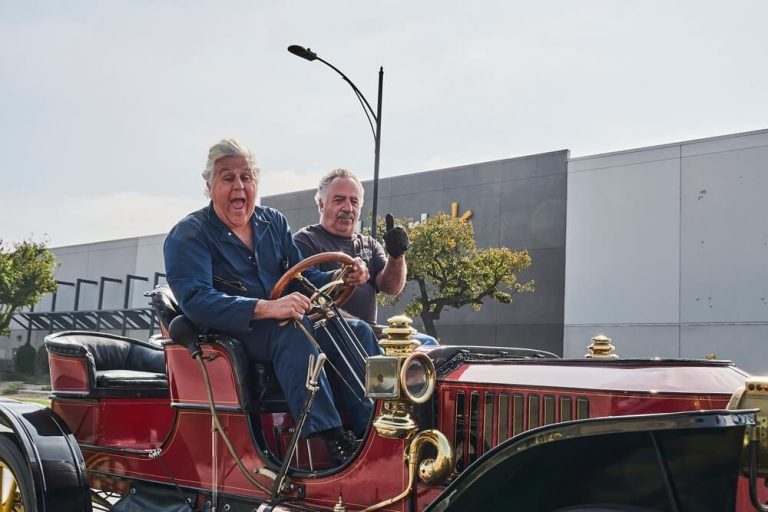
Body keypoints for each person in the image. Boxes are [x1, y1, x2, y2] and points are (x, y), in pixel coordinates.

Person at [164, 139, 380, 465]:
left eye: (246, 178)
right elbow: (196, 301)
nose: (239, 187)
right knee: (292, 329)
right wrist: (265, 307)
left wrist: (341, 277)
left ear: (256, 184)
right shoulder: (189, 234)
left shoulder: (273, 223)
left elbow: (301, 281)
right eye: (227, 178)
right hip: (233, 332)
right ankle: (332, 439)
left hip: (283, 321)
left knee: (356, 329)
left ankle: (374, 427)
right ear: (209, 186)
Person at [293, 168, 438, 345]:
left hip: (372, 331)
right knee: (363, 333)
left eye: (354, 202)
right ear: (321, 204)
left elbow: (392, 287)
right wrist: (343, 277)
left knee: (428, 344)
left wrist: (396, 255)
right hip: (327, 331)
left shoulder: (370, 244)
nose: (348, 208)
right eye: (339, 200)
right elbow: (304, 290)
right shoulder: (305, 241)